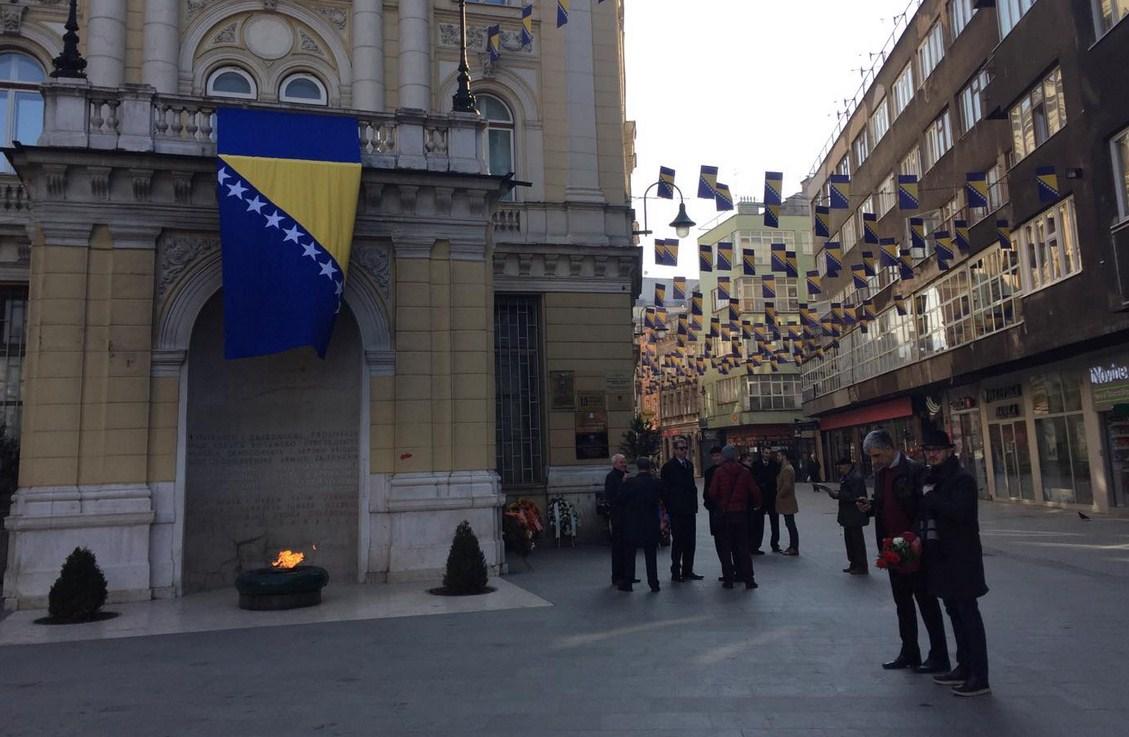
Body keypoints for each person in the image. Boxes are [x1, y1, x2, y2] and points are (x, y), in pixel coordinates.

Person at [858, 429, 950, 674]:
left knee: (925, 601)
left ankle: (938, 654)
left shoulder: (914, 471)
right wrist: (871, 508)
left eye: (877, 456)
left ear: (889, 448)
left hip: (913, 545)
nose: (874, 462)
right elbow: (885, 503)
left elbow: (925, 508)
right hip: (891, 546)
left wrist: (915, 537)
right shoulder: (881, 473)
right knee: (902, 603)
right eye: (871, 457)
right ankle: (909, 651)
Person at [920, 430, 991, 697]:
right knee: (955, 613)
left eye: (937, 449)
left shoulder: (962, 480)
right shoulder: (933, 478)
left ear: (950, 450)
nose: (932, 454)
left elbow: (960, 513)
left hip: (962, 558)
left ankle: (979, 676)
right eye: (929, 450)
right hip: (941, 557)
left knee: (968, 614)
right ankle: (964, 666)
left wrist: (931, 498)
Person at [708, 445, 760, 589]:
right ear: (736, 456)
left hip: (725, 515)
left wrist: (720, 502)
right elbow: (754, 491)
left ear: (724, 457)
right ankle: (749, 579)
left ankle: (728, 579)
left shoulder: (719, 472)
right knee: (743, 547)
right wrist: (756, 504)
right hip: (740, 514)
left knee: (726, 548)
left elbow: (712, 492)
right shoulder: (745, 472)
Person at [661, 438, 702, 582]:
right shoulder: (668, 467)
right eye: (681, 448)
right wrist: (670, 507)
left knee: (690, 541)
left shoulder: (689, 465)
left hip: (689, 510)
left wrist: (694, 505)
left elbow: (691, 487)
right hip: (677, 510)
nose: (684, 451)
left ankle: (688, 570)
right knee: (678, 541)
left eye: (685, 448)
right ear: (675, 450)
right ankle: (675, 572)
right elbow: (665, 490)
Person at [620, 457, 662, 593]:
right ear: (649, 467)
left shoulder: (631, 483)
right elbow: (660, 499)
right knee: (651, 555)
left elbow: (622, 499)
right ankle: (654, 583)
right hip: (651, 522)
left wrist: (623, 483)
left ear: (638, 467)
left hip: (633, 522)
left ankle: (628, 582)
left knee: (630, 554)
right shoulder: (655, 483)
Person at [822, 457, 869, 574]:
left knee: (857, 541)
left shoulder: (855, 477)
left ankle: (861, 565)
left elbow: (855, 496)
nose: (840, 469)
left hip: (855, 514)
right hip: (848, 514)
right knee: (849, 540)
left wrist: (837, 495)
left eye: (841, 467)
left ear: (848, 465)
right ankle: (853, 562)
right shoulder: (847, 477)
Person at [702, 446, 733, 580]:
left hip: (727, 511)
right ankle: (727, 570)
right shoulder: (709, 472)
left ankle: (732, 571)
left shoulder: (729, 470)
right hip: (716, 511)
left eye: (718, 455)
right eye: (713, 456)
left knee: (731, 543)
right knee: (720, 544)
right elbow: (706, 493)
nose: (715, 458)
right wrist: (710, 506)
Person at [604, 454, 632, 587]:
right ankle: (617, 576)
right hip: (618, 516)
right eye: (621, 462)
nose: (624, 464)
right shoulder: (611, 477)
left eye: (624, 462)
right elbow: (612, 497)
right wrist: (623, 483)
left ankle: (628, 575)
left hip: (628, 515)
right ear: (614, 464)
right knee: (618, 547)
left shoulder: (626, 475)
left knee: (628, 546)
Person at [751, 448, 781, 554]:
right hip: (761, 497)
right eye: (765, 453)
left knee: (775, 522)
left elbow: (776, 478)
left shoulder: (775, 465)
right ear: (762, 453)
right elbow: (754, 478)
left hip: (772, 497)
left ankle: (775, 544)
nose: (767, 455)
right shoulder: (755, 464)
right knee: (759, 523)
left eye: (769, 453)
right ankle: (755, 545)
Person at [775, 449, 799, 556]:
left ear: (784, 456)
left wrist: (779, 495)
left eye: (779, 456)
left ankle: (794, 547)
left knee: (790, 524)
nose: (777, 458)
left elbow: (787, 486)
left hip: (787, 501)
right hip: (787, 501)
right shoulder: (786, 468)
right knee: (790, 524)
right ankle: (792, 546)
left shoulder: (787, 469)